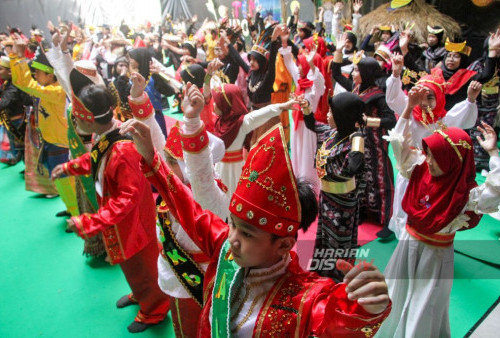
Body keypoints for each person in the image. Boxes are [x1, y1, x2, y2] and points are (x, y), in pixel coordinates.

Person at [120, 84, 392, 337]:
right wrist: (152, 160)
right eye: (233, 224)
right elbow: (188, 206)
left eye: (247, 234)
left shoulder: (303, 297)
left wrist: (365, 305)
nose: (232, 237)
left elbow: (334, 318)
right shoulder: (225, 248)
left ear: (284, 244)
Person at [378, 86, 500, 338]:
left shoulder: (465, 195)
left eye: (436, 157)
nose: (429, 160)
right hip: (408, 245)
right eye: (429, 154)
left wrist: (492, 152)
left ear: (454, 163)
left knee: (426, 304)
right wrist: (408, 109)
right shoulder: (420, 169)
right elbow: (399, 146)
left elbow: (496, 190)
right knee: (395, 292)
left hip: (436, 255)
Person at [51, 82, 170, 333]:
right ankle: (141, 295)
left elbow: (127, 199)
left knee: (143, 268)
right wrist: (69, 167)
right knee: (132, 267)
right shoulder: (107, 135)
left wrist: (88, 222)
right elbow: (95, 159)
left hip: (134, 223)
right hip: (121, 221)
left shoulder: (123, 150)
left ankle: (154, 310)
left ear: (90, 120)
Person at [333, 36, 396, 236]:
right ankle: (364, 213)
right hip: (359, 140)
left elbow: (391, 120)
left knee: (380, 180)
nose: (353, 72)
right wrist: (339, 49)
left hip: (375, 144)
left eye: (357, 70)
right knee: (360, 177)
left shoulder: (377, 94)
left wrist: (366, 121)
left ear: (367, 73)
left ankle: (386, 220)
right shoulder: (356, 88)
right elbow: (335, 73)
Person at [9, 34, 78, 216]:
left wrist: (18, 58)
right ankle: (71, 208)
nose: (36, 77)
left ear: (50, 75)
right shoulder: (48, 90)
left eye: (38, 73)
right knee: (60, 181)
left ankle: (78, 213)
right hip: (51, 140)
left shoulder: (55, 92)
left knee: (66, 181)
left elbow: (23, 83)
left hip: (61, 143)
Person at [304, 92, 366, 281]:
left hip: (342, 205)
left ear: (343, 117)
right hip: (326, 198)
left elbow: (354, 167)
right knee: (324, 238)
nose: (328, 115)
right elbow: (311, 124)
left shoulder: (352, 142)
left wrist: (358, 139)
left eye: (332, 112)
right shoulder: (330, 133)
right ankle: (322, 274)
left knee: (338, 244)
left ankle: (338, 280)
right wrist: (306, 107)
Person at [0, 55, 32, 164]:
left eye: (1, 69)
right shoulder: (7, 83)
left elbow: (5, 102)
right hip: (12, 119)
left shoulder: (14, 84)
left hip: (17, 120)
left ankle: (26, 166)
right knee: (18, 145)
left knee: (23, 146)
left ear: (9, 72)